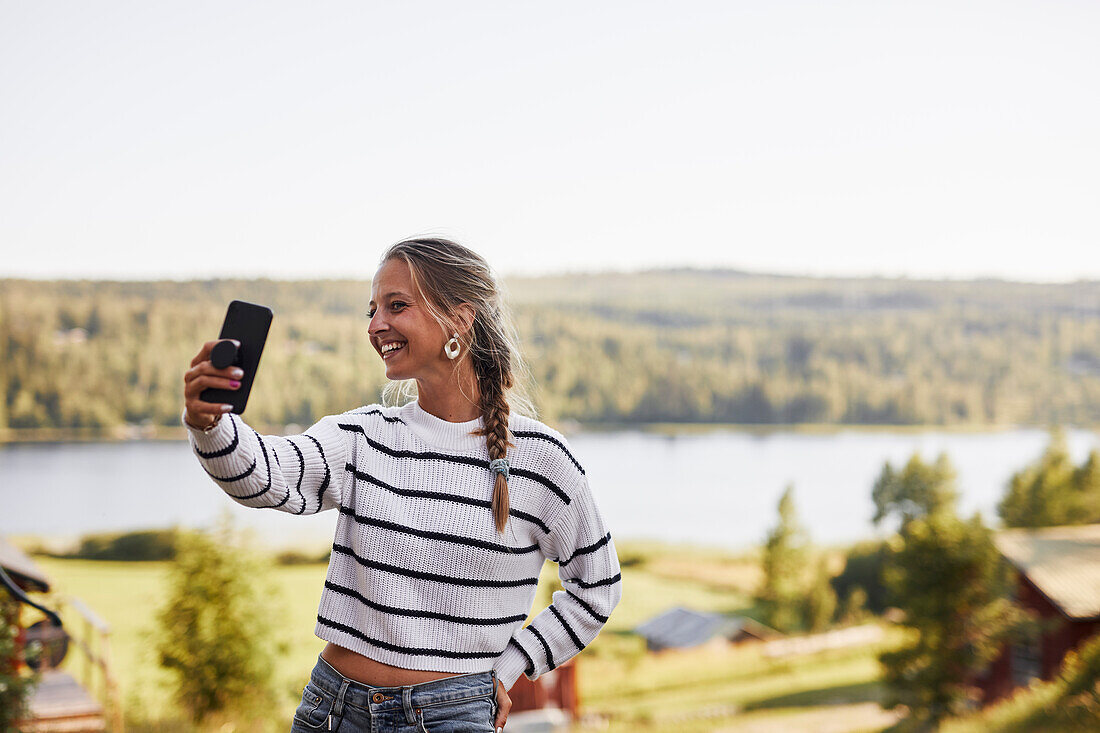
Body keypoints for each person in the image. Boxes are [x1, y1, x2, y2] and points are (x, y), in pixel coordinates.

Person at [182, 238, 622, 732]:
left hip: (452, 716)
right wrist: (210, 424)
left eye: (396, 306)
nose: (374, 326)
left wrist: (513, 663)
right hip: (332, 710)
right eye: (372, 311)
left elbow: (597, 588)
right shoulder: (363, 436)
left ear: (459, 319)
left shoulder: (544, 460)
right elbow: (266, 476)